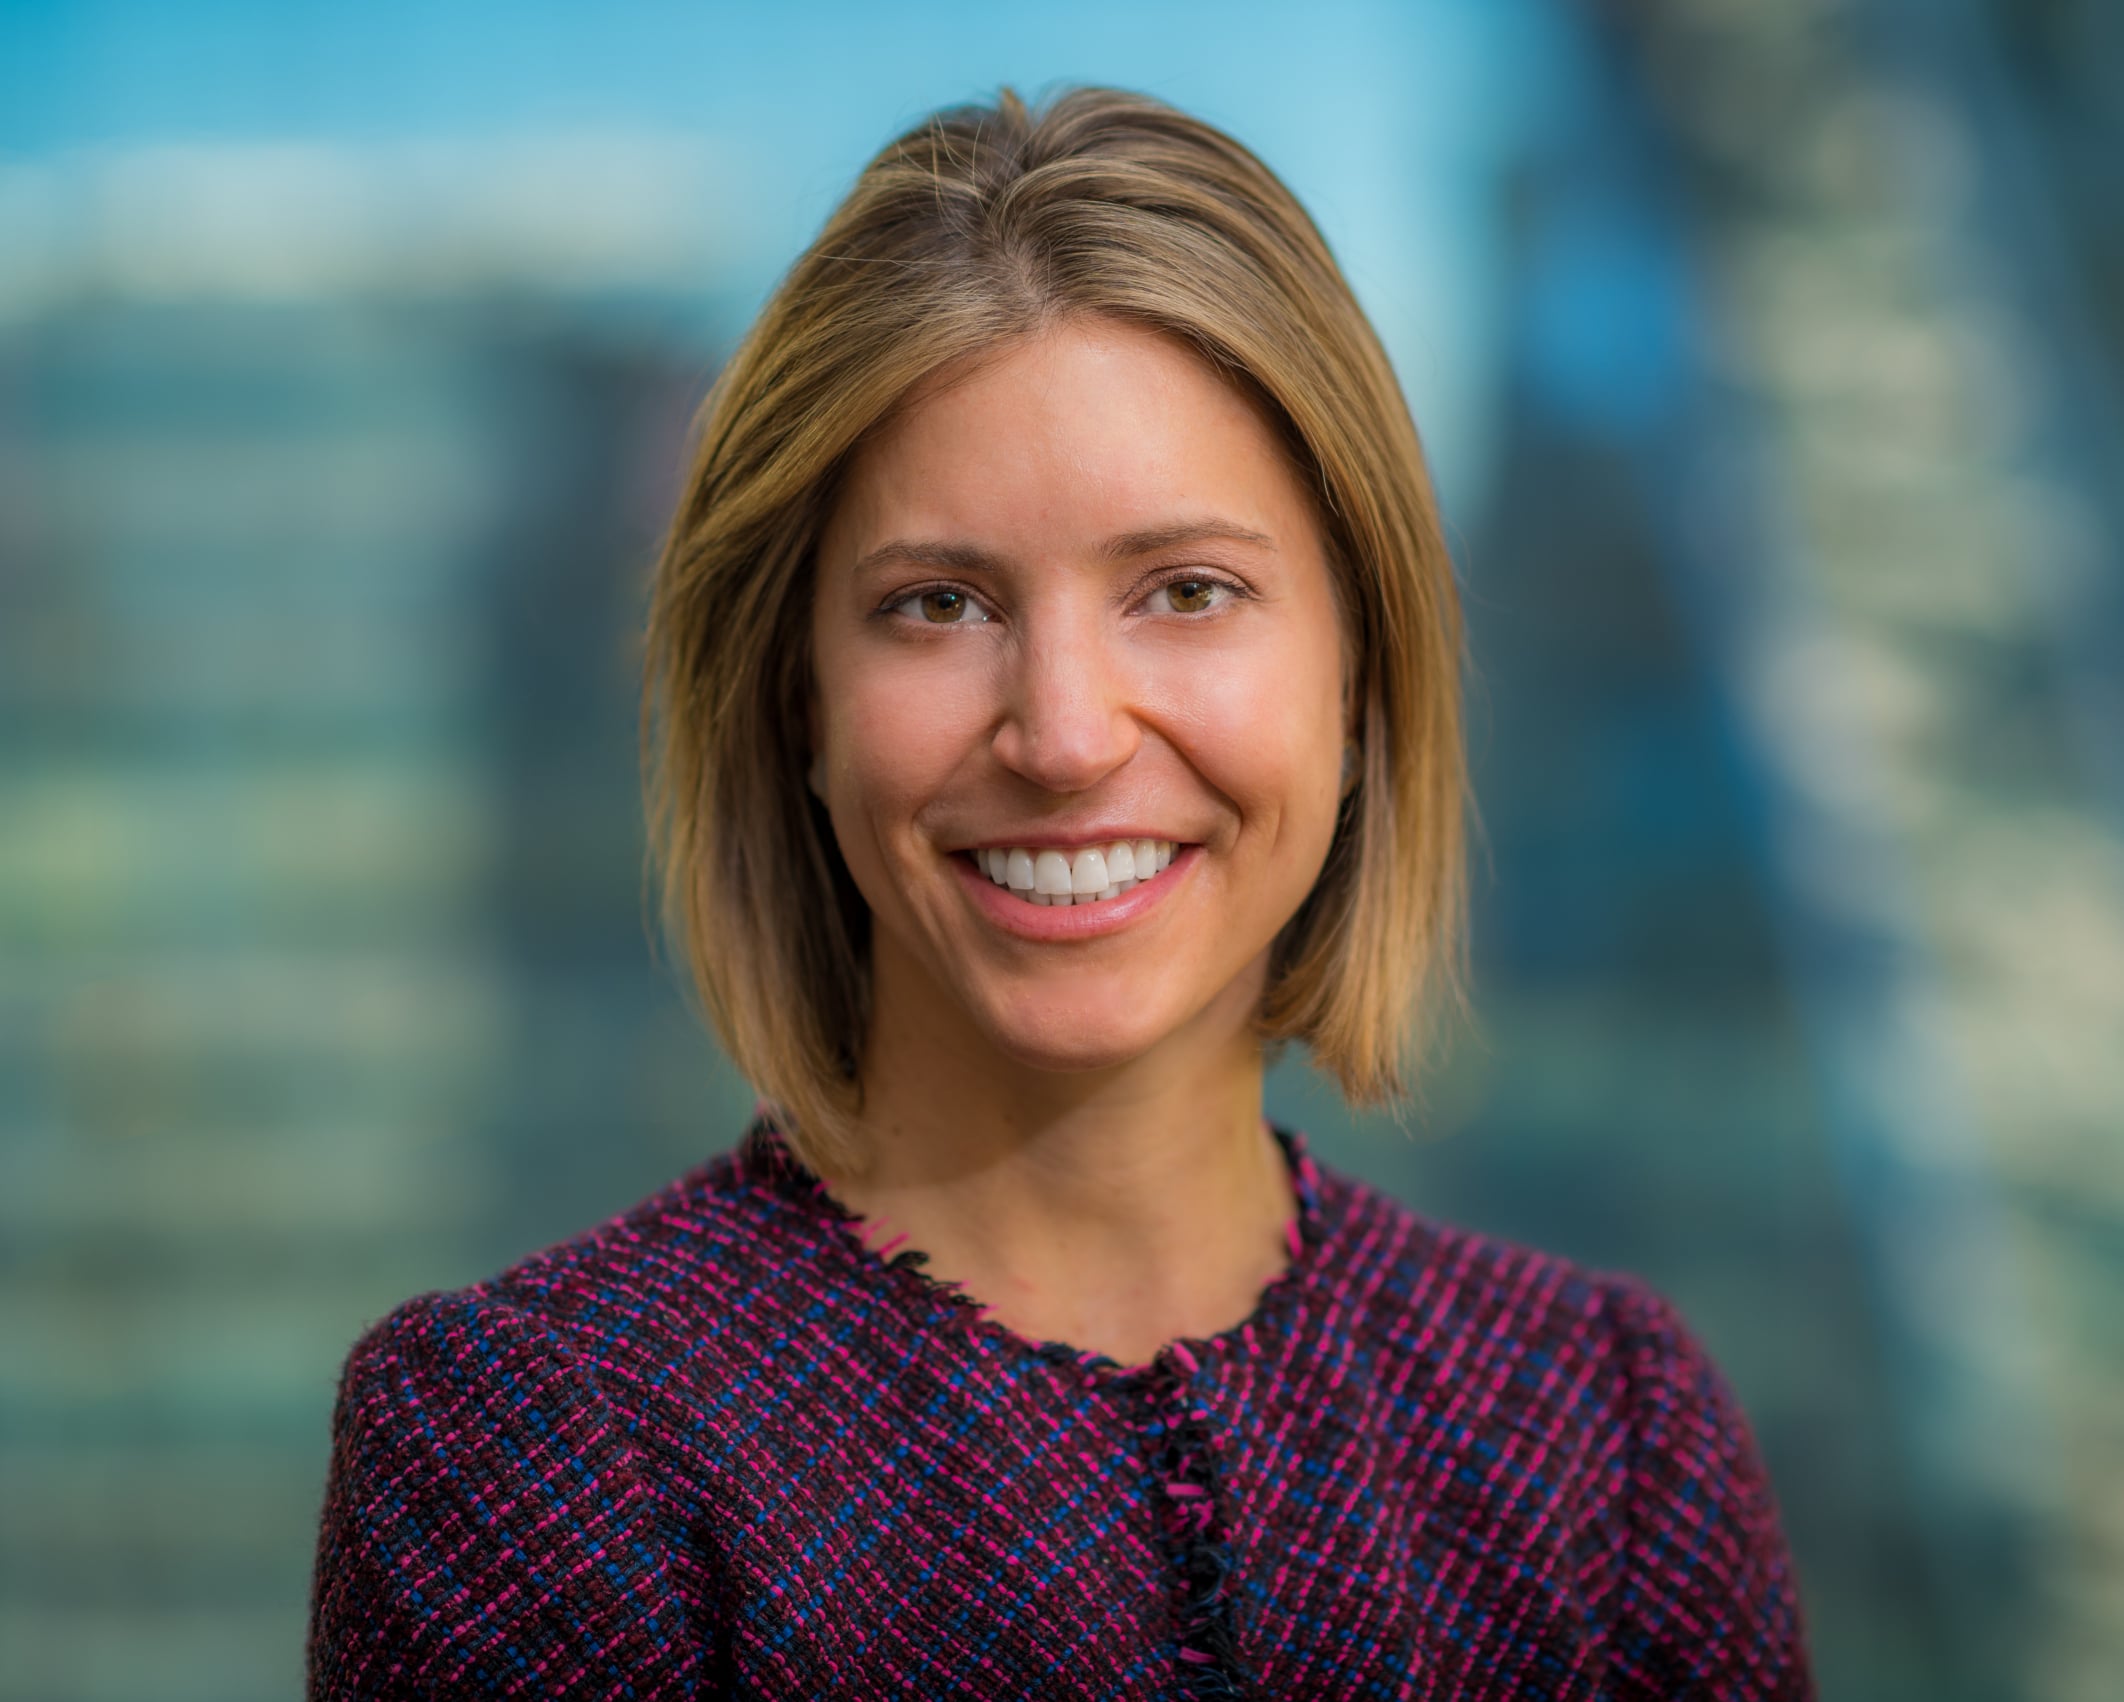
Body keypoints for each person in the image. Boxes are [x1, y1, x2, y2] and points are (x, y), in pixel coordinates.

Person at [307, 85, 1816, 1699]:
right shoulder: (528, 1453)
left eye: (1188, 590)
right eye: (940, 604)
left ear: (1360, 671)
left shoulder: (1612, 1438)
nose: (1068, 735)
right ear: (797, 697)